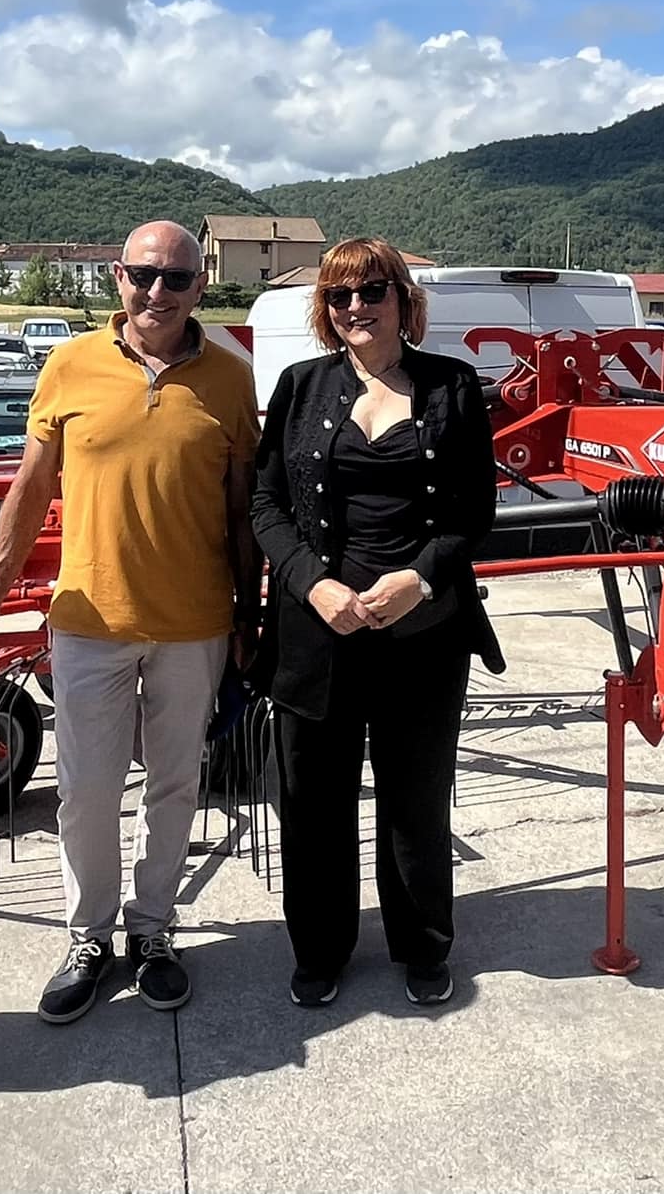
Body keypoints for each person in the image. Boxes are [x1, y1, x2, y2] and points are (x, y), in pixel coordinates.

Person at [0, 221, 259, 1024]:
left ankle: (153, 932)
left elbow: (244, 511)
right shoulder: (70, 363)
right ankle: (88, 935)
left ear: (200, 288)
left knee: (176, 786)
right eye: (145, 275)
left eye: (178, 279)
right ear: (118, 276)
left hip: (193, 624)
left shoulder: (229, 377)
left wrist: (250, 617)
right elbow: (30, 486)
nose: (159, 293)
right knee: (84, 791)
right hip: (87, 617)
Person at [251, 237, 503, 1009]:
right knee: (314, 801)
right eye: (340, 297)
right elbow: (265, 505)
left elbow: (472, 513)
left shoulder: (452, 386)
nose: (357, 307)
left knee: (415, 796)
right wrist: (312, 584)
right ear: (326, 311)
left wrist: (421, 580)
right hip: (317, 630)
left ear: (402, 299)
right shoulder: (300, 386)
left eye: (372, 292)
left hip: (420, 635)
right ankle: (320, 949)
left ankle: (423, 945)